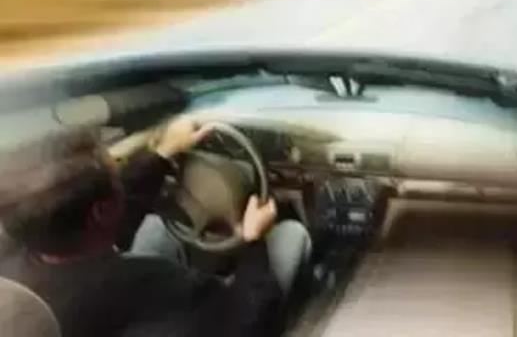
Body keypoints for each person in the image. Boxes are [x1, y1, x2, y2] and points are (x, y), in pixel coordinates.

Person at [0, 117, 311, 337]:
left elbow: (106, 209)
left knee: (155, 226)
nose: (120, 177)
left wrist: (162, 155)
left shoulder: (12, 270)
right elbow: (249, 321)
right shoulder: (162, 288)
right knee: (290, 237)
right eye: (116, 170)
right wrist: (253, 241)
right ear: (102, 211)